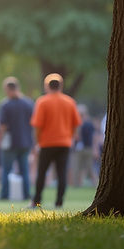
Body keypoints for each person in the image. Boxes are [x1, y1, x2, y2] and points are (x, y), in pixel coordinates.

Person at [30, 73, 81, 209]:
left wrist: (36, 143)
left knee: (41, 173)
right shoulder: (70, 102)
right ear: (61, 86)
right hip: (64, 143)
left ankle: (37, 201)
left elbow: (37, 125)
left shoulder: (42, 102)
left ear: (47, 86)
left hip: (46, 143)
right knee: (61, 173)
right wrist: (71, 136)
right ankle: (59, 202)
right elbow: (76, 123)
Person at [0, 77, 33, 201]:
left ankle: (4, 195)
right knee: (25, 170)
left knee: (6, 170)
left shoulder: (6, 104)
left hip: (10, 143)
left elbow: (3, 126)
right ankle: (27, 194)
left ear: (7, 89)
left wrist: (0, 140)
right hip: (26, 142)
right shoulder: (28, 103)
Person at [71, 105, 97, 187]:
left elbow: (94, 136)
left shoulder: (89, 123)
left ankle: (95, 184)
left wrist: (94, 148)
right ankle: (76, 185)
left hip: (87, 148)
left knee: (90, 167)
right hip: (78, 149)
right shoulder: (76, 123)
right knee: (76, 167)